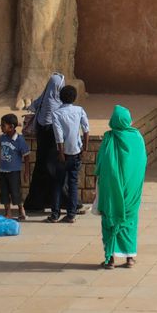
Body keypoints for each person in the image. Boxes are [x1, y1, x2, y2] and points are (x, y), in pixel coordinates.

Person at [94, 105, 146, 269]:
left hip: (111, 190)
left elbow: (101, 163)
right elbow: (142, 161)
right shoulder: (136, 137)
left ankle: (110, 259)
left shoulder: (109, 138)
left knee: (110, 219)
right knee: (129, 221)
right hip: (131, 189)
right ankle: (129, 258)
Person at [23, 72, 64, 212]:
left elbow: (33, 108)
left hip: (43, 153)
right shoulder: (59, 107)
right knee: (56, 175)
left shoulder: (43, 104)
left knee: (41, 174)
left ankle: (37, 203)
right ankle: (65, 203)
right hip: (54, 151)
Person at [48, 85, 88, 223]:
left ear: (60, 98)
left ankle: (55, 214)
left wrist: (60, 153)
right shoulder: (79, 110)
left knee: (58, 183)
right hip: (76, 152)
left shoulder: (57, 114)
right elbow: (86, 130)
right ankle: (71, 214)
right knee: (73, 183)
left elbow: (59, 136)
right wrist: (85, 149)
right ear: (74, 98)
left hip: (62, 154)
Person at [0, 113, 31, 220]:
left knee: (16, 192)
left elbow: (26, 156)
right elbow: (2, 154)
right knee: (4, 193)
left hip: (14, 172)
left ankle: (21, 210)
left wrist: (26, 172)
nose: (1, 127)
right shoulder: (2, 138)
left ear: (11, 127)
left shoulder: (20, 140)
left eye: (3, 125)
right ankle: (8, 212)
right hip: (2, 171)